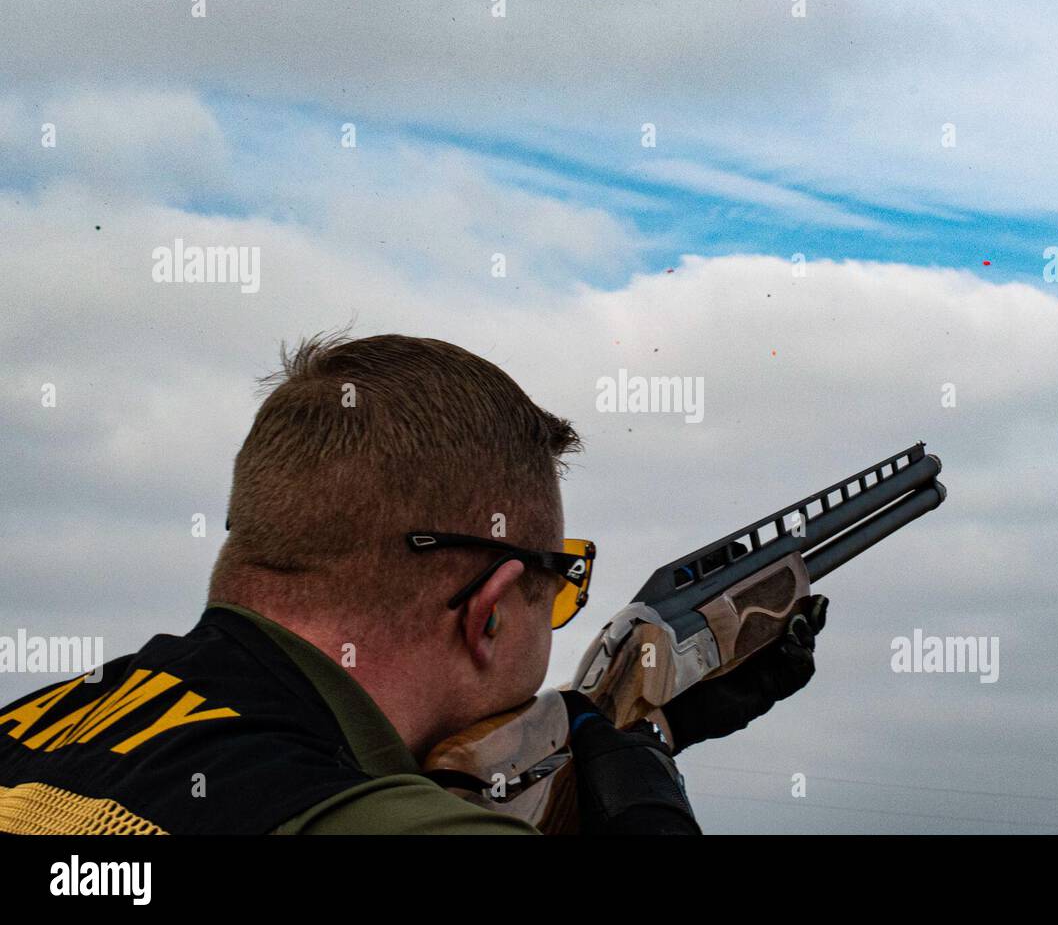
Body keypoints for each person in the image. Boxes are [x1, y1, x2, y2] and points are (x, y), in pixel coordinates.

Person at [0, 334, 824, 834]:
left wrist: (654, 735)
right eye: (560, 593)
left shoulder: (37, 727)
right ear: (491, 612)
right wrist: (648, 806)